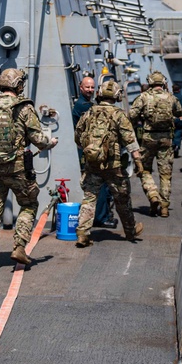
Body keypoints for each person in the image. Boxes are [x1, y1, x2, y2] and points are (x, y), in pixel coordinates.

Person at [0, 68, 58, 275]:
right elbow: (38, 139)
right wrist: (50, 142)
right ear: (19, 86)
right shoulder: (24, 107)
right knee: (29, 204)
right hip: (18, 169)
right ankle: (19, 247)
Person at [74, 80, 143, 247]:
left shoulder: (89, 112)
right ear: (117, 96)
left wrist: (90, 149)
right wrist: (138, 161)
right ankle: (130, 231)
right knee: (122, 198)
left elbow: (78, 136)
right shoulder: (119, 114)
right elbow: (130, 140)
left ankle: (83, 232)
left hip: (92, 164)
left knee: (89, 198)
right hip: (114, 166)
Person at [129, 71, 182, 217]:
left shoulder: (144, 97)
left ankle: (153, 195)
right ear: (164, 82)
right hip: (166, 138)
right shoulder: (171, 97)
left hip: (148, 138)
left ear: (150, 82)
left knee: (144, 170)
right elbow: (179, 112)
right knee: (165, 174)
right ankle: (164, 207)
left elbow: (131, 115)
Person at [72, 75, 116, 229]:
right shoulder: (84, 106)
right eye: (87, 87)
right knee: (100, 184)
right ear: (80, 87)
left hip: (91, 150)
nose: (90, 90)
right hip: (92, 152)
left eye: (92, 87)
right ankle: (101, 218)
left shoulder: (87, 104)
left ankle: (101, 215)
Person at [171, 84, 182, 159]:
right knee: (179, 132)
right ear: (179, 90)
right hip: (180, 118)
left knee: (172, 133)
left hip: (172, 118)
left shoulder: (170, 98)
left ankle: (173, 144)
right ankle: (177, 145)